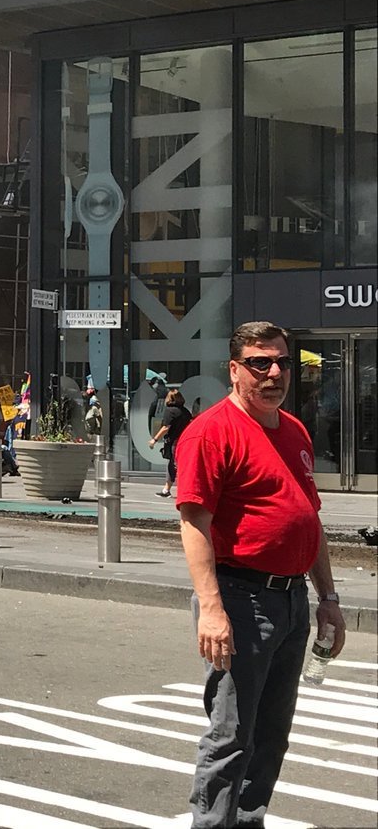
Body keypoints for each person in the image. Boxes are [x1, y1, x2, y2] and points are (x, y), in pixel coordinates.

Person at [176, 321, 345, 829]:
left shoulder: (293, 431)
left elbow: (307, 518)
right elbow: (194, 522)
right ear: (234, 369)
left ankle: (248, 821)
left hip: (291, 600)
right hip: (240, 598)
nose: (274, 373)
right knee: (231, 736)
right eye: (260, 363)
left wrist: (329, 598)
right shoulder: (211, 430)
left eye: (282, 362)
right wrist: (211, 609)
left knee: (272, 734)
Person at [149, 388, 192, 497]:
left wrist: (154, 439)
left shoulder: (170, 411)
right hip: (186, 441)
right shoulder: (186, 412)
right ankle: (168, 489)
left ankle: (169, 490)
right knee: (177, 464)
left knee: (173, 465)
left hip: (175, 441)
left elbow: (165, 427)